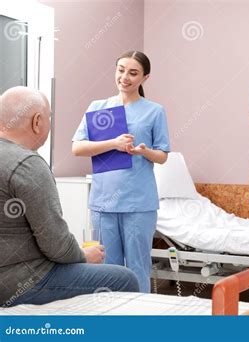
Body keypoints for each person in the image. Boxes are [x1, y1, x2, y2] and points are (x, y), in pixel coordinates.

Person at [0, 86, 139, 307]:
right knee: (125, 278)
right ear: (37, 122)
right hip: (16, 282)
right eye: (49, 118)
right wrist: (84, 255)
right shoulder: (27, 164)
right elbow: (57, 246)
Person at [72, 51, 170, 293]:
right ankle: (111, 322)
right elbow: (77, 148)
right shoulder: (98, 108)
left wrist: (144, 152)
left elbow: (163, 155)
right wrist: (113, 144)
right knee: (105, 268)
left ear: (145, 78)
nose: (125, 77)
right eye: (121, 70)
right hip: (103, 203)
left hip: (138, 203)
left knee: (138, 267)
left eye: (133, 73)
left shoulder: (154, 111)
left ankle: (139, 322)